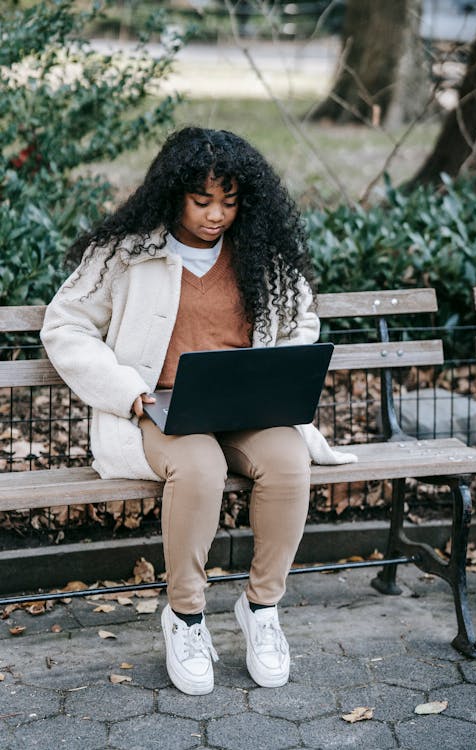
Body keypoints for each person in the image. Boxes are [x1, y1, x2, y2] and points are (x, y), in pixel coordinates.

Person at [41, 127, 357, 696]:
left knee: (288, 459)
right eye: (202, 200)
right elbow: (65, 325)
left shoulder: (262, 254)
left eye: (229, 202)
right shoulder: (127, 252)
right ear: (173, 193)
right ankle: (185, 616)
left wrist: (274, 375)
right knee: (201, 467)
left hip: (243, 404)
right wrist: (127, 391)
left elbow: (301, 324)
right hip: (156, 407)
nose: (216, 215)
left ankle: (262, 607)